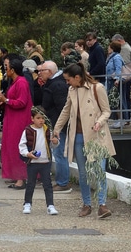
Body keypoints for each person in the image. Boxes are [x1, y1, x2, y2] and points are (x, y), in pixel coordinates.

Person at [52, 62, 115, 219]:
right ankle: (87, 204)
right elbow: (66, 111)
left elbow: (107, 111)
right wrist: (57, 129)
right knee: (83, 173)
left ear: (77, 77)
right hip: (78, 135)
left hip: (96, 135)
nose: (67, 82)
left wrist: (99, 122)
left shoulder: (97, 88)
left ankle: (102, 205)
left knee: (99, 171)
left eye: (68, 79)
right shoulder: (72, 90)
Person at [0, 58, 32, 189]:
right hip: (12, 118)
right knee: (11, 146)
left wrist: (6, 100)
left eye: (7, 68)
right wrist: (2, 101)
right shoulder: (15, 82)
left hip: (19, 120)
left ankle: (21, 178)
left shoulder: (22, 83)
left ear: (12, 70)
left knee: (17, 147)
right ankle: (16, 176)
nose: (6, 71)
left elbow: (22, 102)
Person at [37, 61, 70, 192]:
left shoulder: (58, 85)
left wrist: (58, 126)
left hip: (58, 125)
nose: (39, 73)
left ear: (50, 72)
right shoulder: (53, 83)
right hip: (53, 123)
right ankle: (61, 181)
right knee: (57, 152)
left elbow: (63, 108)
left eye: (42, 71)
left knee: (59, 153)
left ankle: (63, 183)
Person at [19, 106, 58, 216]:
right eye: (38, 118)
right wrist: (27, 154)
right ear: (32, 118)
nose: (41, 120)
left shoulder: (47, 130)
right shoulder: (27, 131)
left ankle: (50, 205)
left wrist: (55, 142)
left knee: (47, 184)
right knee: (30, 184)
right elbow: (22, 145)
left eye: (43, 118)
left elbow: (52, 145)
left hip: (45, 162)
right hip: (32, 163)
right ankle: (27, 204)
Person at [112, 34, 131, 125]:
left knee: (124, 97)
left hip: (125, 77)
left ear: (119, 40)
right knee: (125, 97)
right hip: (126, 76)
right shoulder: (127, 47)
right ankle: (126, 117)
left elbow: (123, 65)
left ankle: (125, 118)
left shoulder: (124, 49)